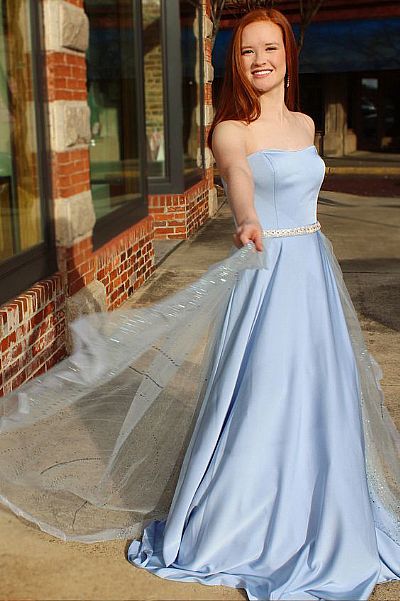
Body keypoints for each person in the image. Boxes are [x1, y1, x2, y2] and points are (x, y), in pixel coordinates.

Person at [0, 7, 398, 601]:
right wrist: (246, 220)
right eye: (245, 51)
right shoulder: (230, 129)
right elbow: (237, 175)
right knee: (263, 392)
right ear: (234, 63)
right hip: (265, 272)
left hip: (312, 271)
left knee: (320, 389)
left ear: (289, 55)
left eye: (270, 48)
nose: (259, 60)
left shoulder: (308, 126)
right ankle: (250, 514)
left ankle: (327, 504)